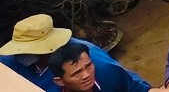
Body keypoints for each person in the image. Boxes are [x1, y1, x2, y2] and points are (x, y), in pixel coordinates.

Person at [0, 14, 146, 92]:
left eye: (29, 51)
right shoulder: (9, 62)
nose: (23, 55)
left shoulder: (93, 61)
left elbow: (135, 87)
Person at [47, 41, 169, 92]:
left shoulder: (108, 72)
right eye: (76, 73)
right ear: (59, 81)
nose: (87, 75)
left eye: (88, 66)